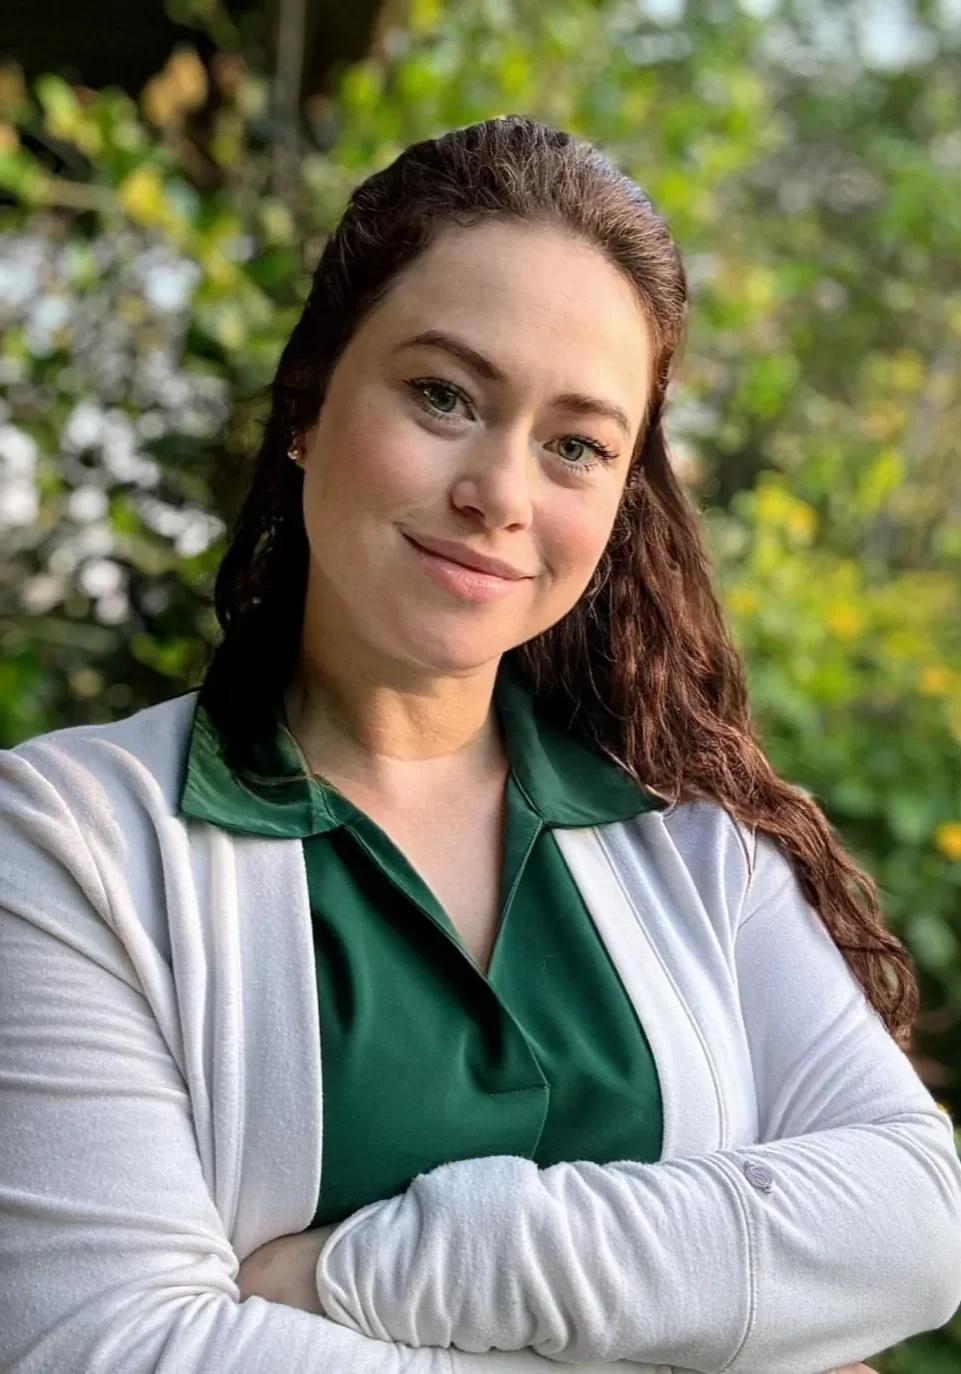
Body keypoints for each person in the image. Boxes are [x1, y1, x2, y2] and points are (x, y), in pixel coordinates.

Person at [0, 114, 956, 1374]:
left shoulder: (690, 849)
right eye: (444, 395)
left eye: (575, 444)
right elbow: (111, 1349)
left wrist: (375, 1266)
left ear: (618, 501)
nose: (501, 493)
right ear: (308, 406)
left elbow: (918, 1227)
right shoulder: (71, 844)